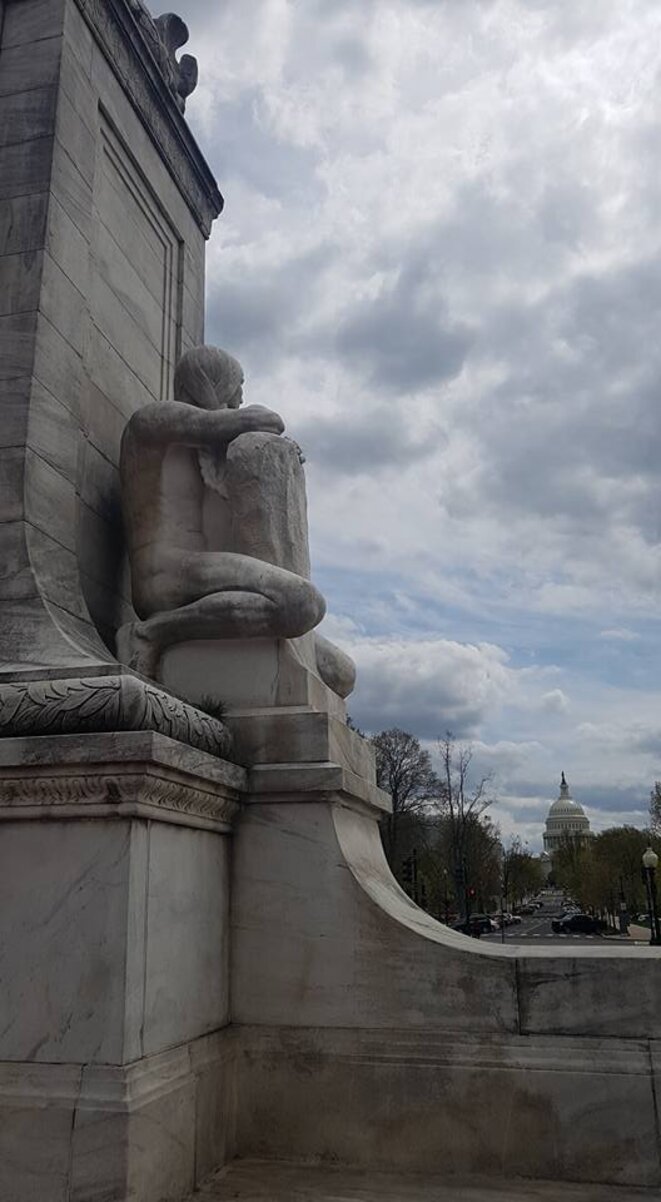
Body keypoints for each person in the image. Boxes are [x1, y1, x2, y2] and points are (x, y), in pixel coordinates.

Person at [118, 346, 354, 698]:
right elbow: (265, 420)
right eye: (236, 385)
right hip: (165, 573)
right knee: (302, 604)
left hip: (204, 574)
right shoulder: (153, 421)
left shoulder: (204, 450)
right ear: (212, 380)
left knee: (341, 672)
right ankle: (151, 634)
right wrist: (266, 436)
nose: (240, 397)